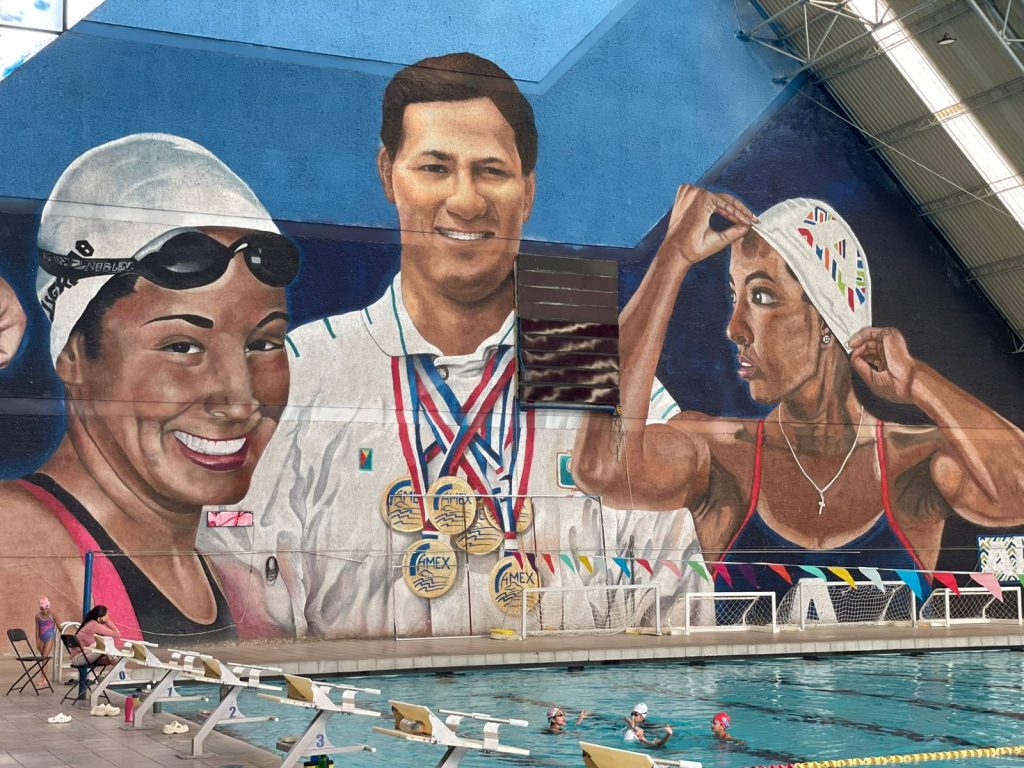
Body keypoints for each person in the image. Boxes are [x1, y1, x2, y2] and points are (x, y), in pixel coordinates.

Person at [197, 52, 705, 639]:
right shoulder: (303, 371)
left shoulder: (578, 352)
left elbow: (676, 599)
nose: (465, 201)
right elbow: (249, 621)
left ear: (528, 191)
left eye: (491, 171)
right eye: (435, 167)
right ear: (388, 174)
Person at [574, 186, 1024, 600]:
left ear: (828, 320)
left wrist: (918, 382)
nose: (734, 328)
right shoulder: (719, 457)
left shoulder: (912, 463)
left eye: (761, 297)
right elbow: (600, 468)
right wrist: (671, 260)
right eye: (734, 296)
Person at [0, 133, 298, 641]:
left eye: (263, 343)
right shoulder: (17, 543)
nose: (240, 400)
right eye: (182, 346)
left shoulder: (238, 588)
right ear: (73, 354)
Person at [34, 596, 61, 685]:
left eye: (46, 609)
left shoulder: (53, 615)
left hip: (50, 637)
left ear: (49, 607)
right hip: (42, 638)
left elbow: (60, 627)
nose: (44, 611)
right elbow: (37, 630)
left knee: (45, 657)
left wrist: (63, 633)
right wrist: (37, 641)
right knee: (43, 658)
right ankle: (44, 678)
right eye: (42, 609)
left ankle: (43, 678)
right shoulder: (37, 616)